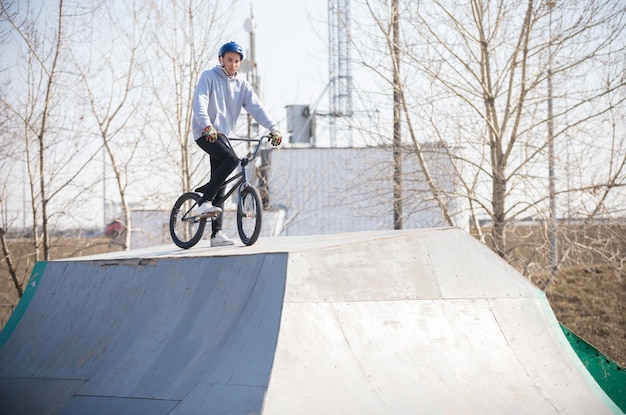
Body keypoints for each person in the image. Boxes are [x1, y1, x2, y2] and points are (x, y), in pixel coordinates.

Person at [192, 41, 282, 247]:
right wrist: (206, 125)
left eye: (237, 61)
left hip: (224, 136)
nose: (233, 64)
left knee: (221, 182)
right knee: (231, 160)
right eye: (229, 60)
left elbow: (257, 108)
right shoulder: (209, 76)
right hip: (205, 132)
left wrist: (273, 128)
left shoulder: (242, 85)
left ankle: (216, 235)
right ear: (221, 59)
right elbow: (200, 102)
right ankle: (203, 202)